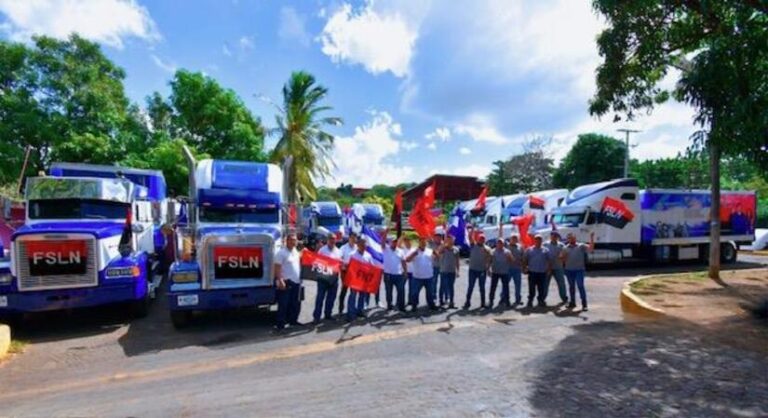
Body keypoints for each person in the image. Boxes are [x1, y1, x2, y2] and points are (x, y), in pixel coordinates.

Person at [274, 232, 302, 330]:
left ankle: (293, 321)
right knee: (283, 304)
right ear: (287, 241)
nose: (293, 242)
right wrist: (280, 280)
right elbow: (277, 267)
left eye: (295, 240)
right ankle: (280, 324)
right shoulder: (281, 253)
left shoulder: (296, 251)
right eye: (291, 240)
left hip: (296, 281)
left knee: (295, 304)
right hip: (286, 281)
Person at [561, 232, 595, 311]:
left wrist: (592, 238)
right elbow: (562, 259)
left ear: (575, 238)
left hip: (579, 270)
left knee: (580, 286)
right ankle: (572, 302)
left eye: (572, 237)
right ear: (567, 239)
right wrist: (562, 258)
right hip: (569, 270)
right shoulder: (565, 248)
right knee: (571, 287)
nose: (571, 239)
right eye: (569, 238)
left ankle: (584, 304)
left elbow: (591, 249)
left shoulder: (581, 246)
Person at [313, 233, 341, 324]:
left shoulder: (338, 251)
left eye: (334, 239)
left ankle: (328, 314)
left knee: (331, 298)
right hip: (323, 278)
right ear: (328, 239)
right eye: (331, 238)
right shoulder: (322, 250)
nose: (332, 240)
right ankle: (316, 317)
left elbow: (339, 263)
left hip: (334, 278)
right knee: (320, 298)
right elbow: (316, 262)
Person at [405, 237, 438, 311]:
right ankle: (414, 306)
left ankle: (431, 305)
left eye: (424, 241)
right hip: (417, 277)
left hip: (429, 276)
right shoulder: (414, 250)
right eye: (421, 241)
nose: (423, 243)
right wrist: (414, 254)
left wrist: (435, 252)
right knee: (415, 293)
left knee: (430, 293)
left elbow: (437, 257)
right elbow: (407, 260)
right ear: (419, 242)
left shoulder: (429, 250)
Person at [346, 237, 374, 321]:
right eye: (361, 244)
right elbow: (348, 266)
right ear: (358, 245)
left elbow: (372, 267)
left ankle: (360, 311)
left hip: (364, 280)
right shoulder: (352, 255)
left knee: (362, 296)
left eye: (364, 245)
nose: (363, 246)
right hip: (354, 280)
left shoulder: (368, 255)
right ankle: (350, 314)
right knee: (353, 296)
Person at [523, 235, 551, 308]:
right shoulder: (529, 250)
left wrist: (548, 269)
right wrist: (524, 268)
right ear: (534, 241)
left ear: (541, 241)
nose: (538, 241)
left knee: (541, 288)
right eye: (536, 240)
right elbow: (525, 259)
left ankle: (540, 301)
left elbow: (549, 261)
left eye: (539, 240)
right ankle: (530, 301)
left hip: (542, 272)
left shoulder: (546, 250)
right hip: (532, 272)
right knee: (531, 288)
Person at [464, 233, 490, 309]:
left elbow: (489, 259)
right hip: (472, 270)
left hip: (482, 270)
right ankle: (467, 302)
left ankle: (483, 303)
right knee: (470, 287)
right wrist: (471, 230)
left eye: (483, 239)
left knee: (482, 288)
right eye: (480, 238)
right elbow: (470, 237)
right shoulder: (473, 245)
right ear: (478, 239)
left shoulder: (487, 248)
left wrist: (488, 269)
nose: (482, 240)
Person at [382, 237, 407, 311]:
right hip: (388, 275)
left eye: (395, 242)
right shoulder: (386, 249)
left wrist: (405, 272)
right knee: (389, 292)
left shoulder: (400, 251)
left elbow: (403, 262)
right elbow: (382, 243)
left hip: (399, 275)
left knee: (401, 291)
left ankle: (401, 307)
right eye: (393, 242)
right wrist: (384, 235)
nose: (394, 243)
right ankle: (389, 305)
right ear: (390, 243)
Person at [435, 234, 460, 308]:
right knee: (442, 286)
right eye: (448, 239)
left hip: (452, 271)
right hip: (444, 271)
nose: (450, 241)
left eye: (451, 239)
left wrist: (458, 271)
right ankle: (441, 302)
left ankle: (451, 302)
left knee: (451, 287)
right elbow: (438, 252)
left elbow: (457, 261)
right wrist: (444, 243)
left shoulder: (456, 249)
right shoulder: (443, 248)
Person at [544, 233, 568, 305]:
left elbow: (566, 255)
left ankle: (564, 298)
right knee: (545, 284)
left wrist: (563, 258)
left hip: (558, 267)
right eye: (552, 236)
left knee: (561, 284)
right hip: (548, 268)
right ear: (550, 236)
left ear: (557, 237)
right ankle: (542, 299)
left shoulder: (561, 245)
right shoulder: (545, 244)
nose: (554, 237)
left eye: (555, 236)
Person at [489, 238, 513, 308]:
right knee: (493, 287)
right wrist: (488, 269)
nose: (500, 244)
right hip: (495, 272)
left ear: (503, 244)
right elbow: (489, 260)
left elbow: (512, 260)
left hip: (504, 272)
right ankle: (491, 301)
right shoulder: (492, 251)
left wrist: (509, 258)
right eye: (498, 243)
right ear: (496, 244)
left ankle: (507, 301)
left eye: (501, 243)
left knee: (506, 287)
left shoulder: (507, 251)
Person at [338, 232, 357, 316]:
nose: (353, 239)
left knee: (354, 290)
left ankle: (352, 308)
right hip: (345, 271)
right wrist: (343, 265)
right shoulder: (343, 248)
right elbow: (340, 258)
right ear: (349, 238)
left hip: (354, 272)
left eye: (354, 238)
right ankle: (341, 308)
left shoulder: (357, 247)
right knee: (344, 290)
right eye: (352, 237)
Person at [507, 235, 524, 306]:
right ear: (510, 239)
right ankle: (503, 298)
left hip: (517, 269)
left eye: (515, 238)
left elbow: (523, 256)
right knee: (505, 284)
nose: (514, 240)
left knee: (518, 285)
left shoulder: (520, 247)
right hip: (508, 269)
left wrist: (523, 266)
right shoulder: (506, 246)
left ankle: (518, 299)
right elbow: (500, 237)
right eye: (513, 238)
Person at [428, 234, 443, 307]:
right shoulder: (431, 244)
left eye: (439, 238)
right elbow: (427, 236)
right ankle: (434, 297)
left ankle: (443, 299)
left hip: (443, 266)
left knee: (443, 284)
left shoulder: (443, 244)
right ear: (434, 238)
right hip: (434, 266)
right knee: (434, 283)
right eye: (436, 238)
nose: (438, 239)